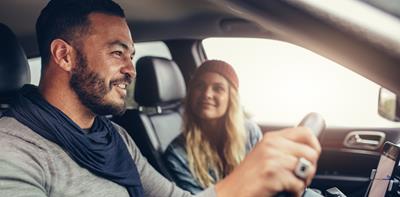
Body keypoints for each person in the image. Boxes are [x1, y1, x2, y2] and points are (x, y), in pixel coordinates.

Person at [0, 0, 321, 197]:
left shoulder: (114, 138)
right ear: (64, 56)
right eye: (117, 53)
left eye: (132, 55)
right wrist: (238, 186)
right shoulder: (12, 151)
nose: (131, 69)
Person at [164, 60, 263, 194]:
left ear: (231, 98)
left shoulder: (250, 133)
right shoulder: (177, 154)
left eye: (218, 88)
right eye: (200, 86)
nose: (207, 94)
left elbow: (265, 180)